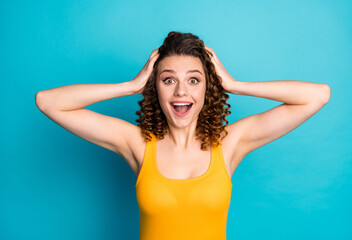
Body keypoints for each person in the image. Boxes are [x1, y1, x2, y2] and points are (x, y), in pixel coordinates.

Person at [35, 31, 331, 240]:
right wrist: (130, 85)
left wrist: (235, 84)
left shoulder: (229, 143)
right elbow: (48, 102)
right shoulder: (137, 143)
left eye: (193, 79)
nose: (181, 91)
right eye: (168, 80)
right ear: (156, 88)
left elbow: (317, 95)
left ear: (207, 89)